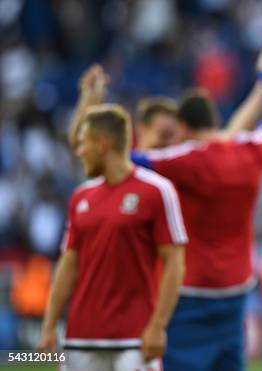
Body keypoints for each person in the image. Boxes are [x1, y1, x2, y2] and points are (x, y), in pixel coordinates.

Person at [129, 44, 262, 371]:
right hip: (236, 290)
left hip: (191, 291)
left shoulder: (185, 160)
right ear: (214, 120)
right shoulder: (249, 151)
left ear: (184, 128)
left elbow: (130, 160)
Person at [38, 104, 187, 371]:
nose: (79, 151)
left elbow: (175, 263)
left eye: (84, 143)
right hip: (81, 337)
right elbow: (69, 264)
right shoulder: (81, 197)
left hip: (135, 337)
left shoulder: (157, 190)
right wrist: (50, 325)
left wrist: (158, 326)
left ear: (103, 144)